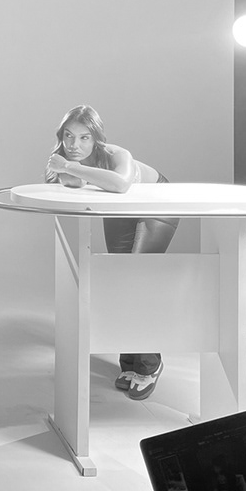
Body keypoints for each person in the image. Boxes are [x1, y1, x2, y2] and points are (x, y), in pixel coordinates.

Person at [42, 105, 177, 400]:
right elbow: (67, 185)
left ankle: (150, 364)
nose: (74, 145)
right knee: (119, 281)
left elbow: (120, 183)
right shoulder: (64, 159)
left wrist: (68, 167)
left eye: (84, 138)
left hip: (157, 204)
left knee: (136, 282)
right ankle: (129, 363)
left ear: (97, 139)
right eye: (68, 136)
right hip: (121, 210)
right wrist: (66, 169)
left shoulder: (117, 155)